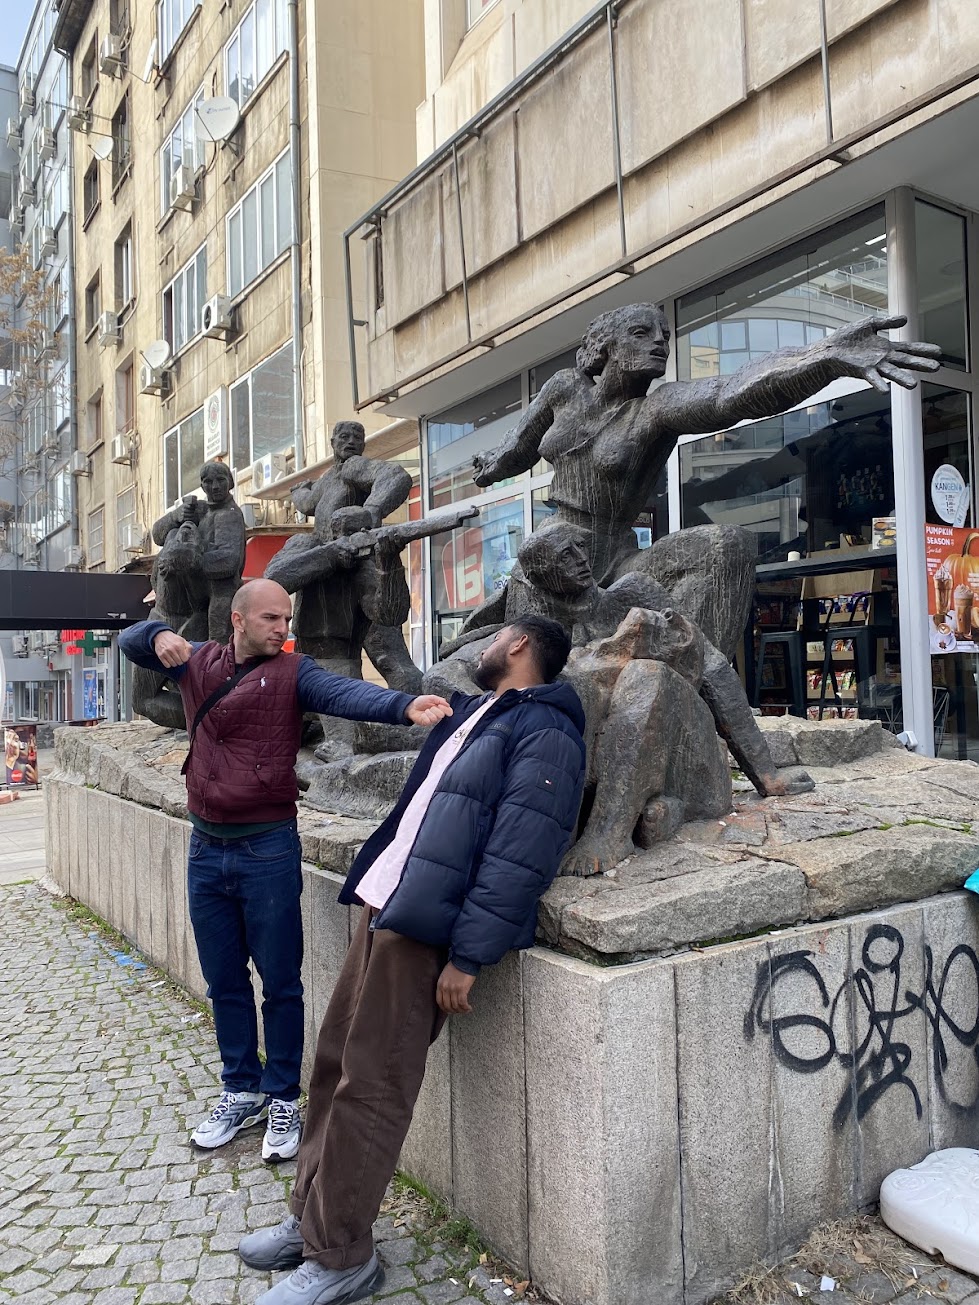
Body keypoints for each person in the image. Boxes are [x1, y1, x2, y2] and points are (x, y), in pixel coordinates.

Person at [236, 615, 586, 1305]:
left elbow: (523, 851)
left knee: (374, 1084)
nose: (477, 648)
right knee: (335, 1063)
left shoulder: (546, 730)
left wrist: (469, 955)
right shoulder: (483, 712)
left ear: (518, 646)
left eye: (492, 637)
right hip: (387, 906)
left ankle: (341, 1254)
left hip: (427, 931)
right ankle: (310, 1218)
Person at [118, 578, 452, 1162]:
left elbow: (347, 694)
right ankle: (240, 1088)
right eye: (272, 619)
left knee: (281, 983)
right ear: (238, 621)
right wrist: (159, 632)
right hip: (206, 849)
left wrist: (404, 704)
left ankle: (282, 1100)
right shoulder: (199, 664)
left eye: (288, 618)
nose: (284, 628)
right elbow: (129, 641)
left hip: (267, 848)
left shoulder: (295, 673)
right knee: (224, 981)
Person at [472, 305, 940, 659]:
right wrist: (491, 467)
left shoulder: (659, 408)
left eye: (665, 335)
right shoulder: (564, 388)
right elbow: (519, 445)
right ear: (606, 346)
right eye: (641, 333)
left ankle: (688, 676)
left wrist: (825, 356)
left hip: (618, 555)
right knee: (521, 660)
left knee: (729, 544)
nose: (660, 343)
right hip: (556, 554)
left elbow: (730, 394)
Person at [151, 461, 246, 642]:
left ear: (230, 482)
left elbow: (230, 560)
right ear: (202, 485)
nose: (215, 486)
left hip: (219, 595)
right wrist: (175, 515)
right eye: (208, 482)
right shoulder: (201, 510)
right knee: (173, 533)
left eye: (221, 480)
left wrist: (189, 560)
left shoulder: (230, 514)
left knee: (217, 646)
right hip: (193, 595)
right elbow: (157, 535)